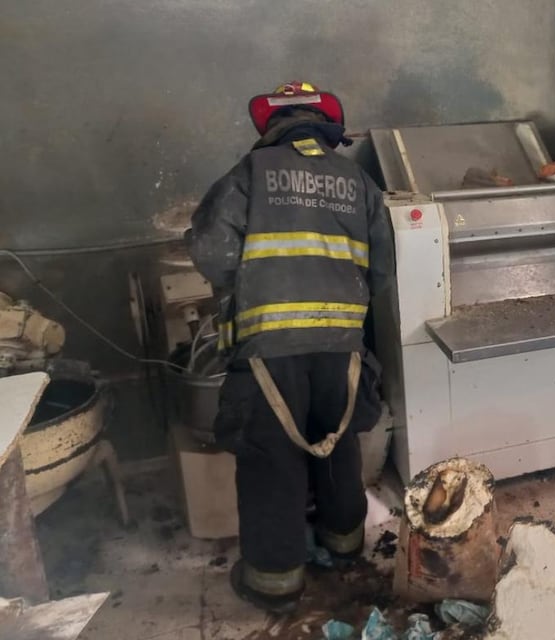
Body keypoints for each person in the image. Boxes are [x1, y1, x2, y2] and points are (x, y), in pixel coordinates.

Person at [186, 81, 395, 613]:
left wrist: (257, 283)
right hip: (342, 346)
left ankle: (275, 583)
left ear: (272, 129)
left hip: (268, 348)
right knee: (337, 442)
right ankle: (345, 547)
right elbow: (384, 267)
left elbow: (211, 253)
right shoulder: (358, 181)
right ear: (327, 131)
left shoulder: (248, 175)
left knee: (271, 460)